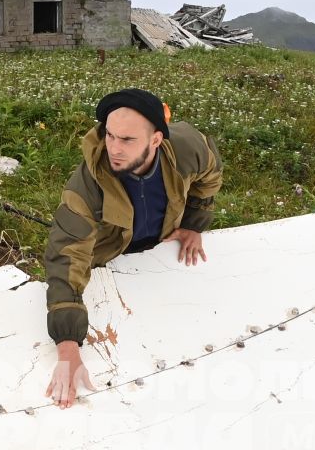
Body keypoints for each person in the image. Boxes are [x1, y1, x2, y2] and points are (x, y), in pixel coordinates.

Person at [43, 89, 223, 407]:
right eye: (110, 136)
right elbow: (66, 252)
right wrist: (68, 343)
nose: (113, 148)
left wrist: (195, 223)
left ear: (156, 140)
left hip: (163, 251)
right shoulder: (87, 184)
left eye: (127, 140)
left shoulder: (187, 148)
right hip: (113, 256)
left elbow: (210, 174)